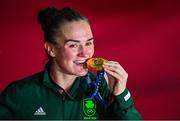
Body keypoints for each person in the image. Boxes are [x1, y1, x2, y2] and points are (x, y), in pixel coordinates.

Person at [0, 6, 143, 120]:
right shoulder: (20, 93)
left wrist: (121, 95)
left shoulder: (102, 90)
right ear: (51, 49)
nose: (85, 53)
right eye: (73, 45)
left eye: (89, 43)